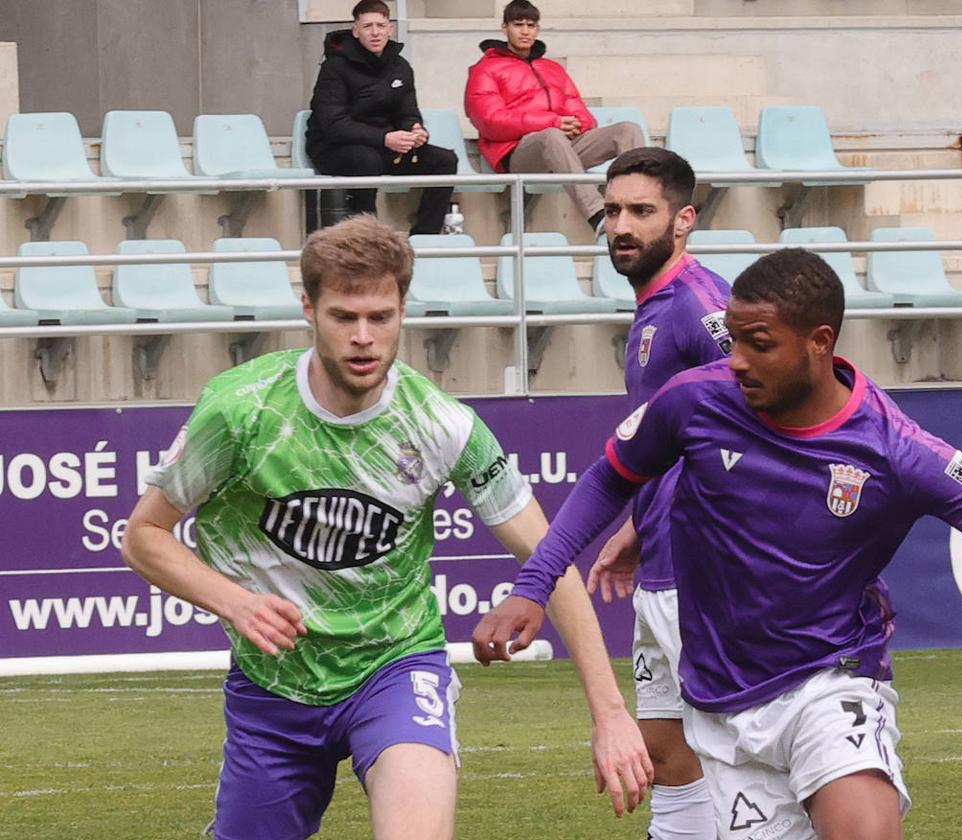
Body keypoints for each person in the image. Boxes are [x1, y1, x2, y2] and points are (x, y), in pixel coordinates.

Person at [473, 248, 962, 839]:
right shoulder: (696, 402)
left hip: (832, 683)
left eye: (757, 343)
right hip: (722, 710)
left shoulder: (896, 451)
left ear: (819, 343)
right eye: (731, 340)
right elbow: (610, 477)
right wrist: (535, 586)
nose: (735, 360)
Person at [121, 215, 652, 840]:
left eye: (382, 316)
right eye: (344, 317)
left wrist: (611, 713)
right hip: (273, 688)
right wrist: (235, 602)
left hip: (396, 668)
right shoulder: (241, 410)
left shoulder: (442, 425)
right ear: (308, 309)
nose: (364, 338)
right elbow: (143, 536)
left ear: (404, 308)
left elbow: (549, 559)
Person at [596, 146, 729, 840]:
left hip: (705, 579)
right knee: (667, 755)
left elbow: (760, 409)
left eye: (641, 211)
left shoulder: (700, 307)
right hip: (662, 565)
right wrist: (640, 524)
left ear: (683, 221)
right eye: (613, 211)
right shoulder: (652, 308)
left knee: (738, 763)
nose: (622, 225)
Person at [464, 0, 645, 234]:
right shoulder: (485, 69)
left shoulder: (552, 68)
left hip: (562, 147)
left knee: (627, 130)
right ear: (504, 27)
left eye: (531, 25)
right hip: (518, 153)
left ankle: (639, 206)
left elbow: (582, 113)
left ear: (538, 29)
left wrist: (576, 125)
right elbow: (489, 121)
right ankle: (598, 214)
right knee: (551, 136)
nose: (525, 31)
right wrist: (554, 122)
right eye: (518, 24)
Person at [306, 0, 457, 233]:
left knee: (445, 160)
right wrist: (385, 138)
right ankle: (366, 235)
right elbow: (334, 125)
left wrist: (415, 129)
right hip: (333, 147)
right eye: (367, 26)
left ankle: (424, 236)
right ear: (356, 31)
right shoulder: (334, 67)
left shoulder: (401, 66)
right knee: (367, 160)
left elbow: (407, 112)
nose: (375, 32)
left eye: (380, 25)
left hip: (384, 146)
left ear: (390, 29)